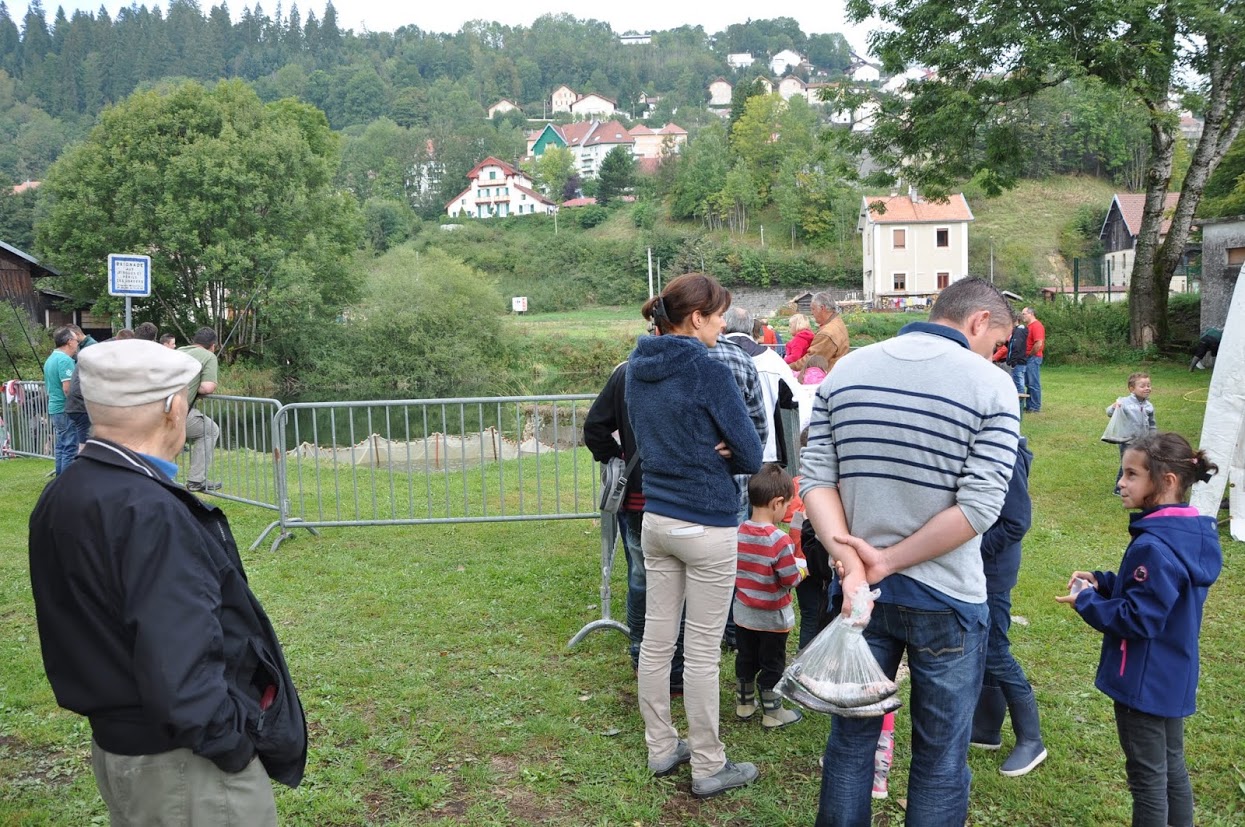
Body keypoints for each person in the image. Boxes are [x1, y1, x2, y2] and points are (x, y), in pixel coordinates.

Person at [27, 339, 307, 825]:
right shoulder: (150, 511)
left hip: (122, 746)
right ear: (173, 408)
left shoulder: (67, 491)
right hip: (185, 768)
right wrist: (231, 746)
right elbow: (180, 661)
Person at [801, 277, 1020, 827]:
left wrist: (854, 564)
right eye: (997, 342)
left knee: (850, 744)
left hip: (859, 596)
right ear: (978, 321)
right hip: (947, 597)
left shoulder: (846, 371)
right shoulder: (992, 386)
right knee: (941, 757)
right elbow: (980, 507)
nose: (995, 354)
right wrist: (889, 561)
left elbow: (815, 480)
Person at [626, 273, 763, 799]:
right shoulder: (709, 370)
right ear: (697, 318)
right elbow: (751, 454)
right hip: (706, 522)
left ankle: (661, 746)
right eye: (720, 315)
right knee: (702, 650)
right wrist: (724, 445)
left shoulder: (637, 366)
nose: (724, 324)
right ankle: (709, 764)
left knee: (657, 642)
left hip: (656, 519)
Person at [1056, 432, 1221, 827]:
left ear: (1167, 481)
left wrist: (1087, 601)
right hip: (1173, 675)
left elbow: (1138, 618)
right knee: (1172, 767)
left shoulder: (1153, 545)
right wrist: (1104, 582)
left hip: (1142, 682)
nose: (1121, 483)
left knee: (1148, 781)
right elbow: (1160, 594)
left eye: (1132, 474)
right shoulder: (1188, 534)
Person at [583, 359, 685, 695]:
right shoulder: (691, 368)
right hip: (680, 495)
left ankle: (642, 657)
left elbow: (595, 428)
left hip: (639, 496)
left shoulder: (626, 373)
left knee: (641, 579)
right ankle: (675, 666)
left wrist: (621, 457)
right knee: (681, 581)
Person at [969, 436, 1047, 776]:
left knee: (995, 650)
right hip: (976, 570)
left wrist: (970, 549)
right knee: (985, 646)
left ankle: (1032, 739)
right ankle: (986, 728)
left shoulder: (1006, 450)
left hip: (992, 572)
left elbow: (1016, 521)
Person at [733, 464, 804, 730]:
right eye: (787, 505)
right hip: (773, 618)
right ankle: (773, 713)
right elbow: (789, 578)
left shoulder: (738, 532)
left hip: (743, 614)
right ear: (777, 503)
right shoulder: (779, 540)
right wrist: (802, 571)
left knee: (746, 657)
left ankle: (744, 703)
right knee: (772, 663)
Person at [179, 327, 222, 492]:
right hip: (175, 413)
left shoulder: (179, 351)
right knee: (209, 430)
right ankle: (196, 480)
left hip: (152, 409)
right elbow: (207, 387)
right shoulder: (209, 356)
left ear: (194, 341)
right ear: (213, 346)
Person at [1108, 373, 1157, 495]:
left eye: (1148, 385)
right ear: (1132, 389)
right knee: (1127, 464)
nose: (1147, 388)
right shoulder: (1124, 402)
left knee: (1141, 462)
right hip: (1127, 441)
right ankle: (1119, 489)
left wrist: (1153, 437)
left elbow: (1152, 423)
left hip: (1143, 441)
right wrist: (1114, 407)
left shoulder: (1148, 405)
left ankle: (1138, 484)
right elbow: (1109, 412)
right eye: (1142, 386)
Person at [43, 326, 80, 475]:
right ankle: (67, 482)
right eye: (76, 341)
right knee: (70, 447)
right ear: (69, 341)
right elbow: (67, 388)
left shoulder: (51, 358)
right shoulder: (65, 360)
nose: (77, 344)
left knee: (61, 446)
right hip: (65, 408)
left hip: (55, 408)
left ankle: (59, 479)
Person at [788, 292, 850, 374]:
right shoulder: (837, 321)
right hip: (838, 373)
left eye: (813, 309)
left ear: (822, 308)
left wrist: (786, 367)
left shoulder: (827, 333)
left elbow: (811, 361)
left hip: (828, 377)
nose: (811, 313)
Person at [992, 315, 1029, 398]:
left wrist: (1013, 361)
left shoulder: (1019, 331)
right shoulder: (1015, 331)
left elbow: (1016, 346)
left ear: (1015, 320)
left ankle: (1020, 404)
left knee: (1018, 384)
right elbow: (1010, 345)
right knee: (1017, 382)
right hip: (1016, 361)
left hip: (1017, 362)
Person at [1020, 306, 1045, 413]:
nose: (1022, 316)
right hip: (1029, 357)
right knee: (1029, 382)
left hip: (1033, 357)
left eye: (1024, 314)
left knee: (1033, 382)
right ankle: (1030, 405)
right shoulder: (1029, 326)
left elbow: (1038, 343)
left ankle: (1035, 406)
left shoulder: (1036, 326)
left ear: (1031, 314)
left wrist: (1030, 354)